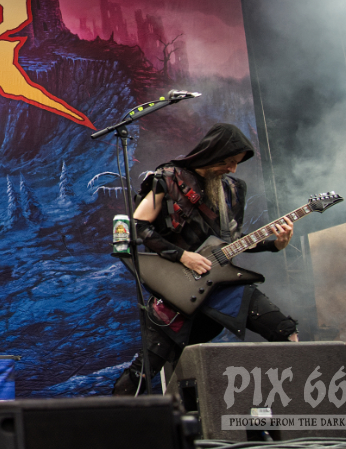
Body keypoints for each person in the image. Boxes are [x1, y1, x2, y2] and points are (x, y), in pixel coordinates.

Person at [113, 123, 298, 395]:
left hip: (222, 284)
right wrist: (183, 256)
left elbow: (233, 241)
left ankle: (298, 402)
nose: (233, 169)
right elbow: (139, 225)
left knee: (285, 331)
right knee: (143, 372)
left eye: (237, 163)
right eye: (228, 161)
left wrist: (275, 245)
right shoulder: (168, 178)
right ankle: (116, 417)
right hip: (177, 289)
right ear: (212, 153)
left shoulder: (233, 189)